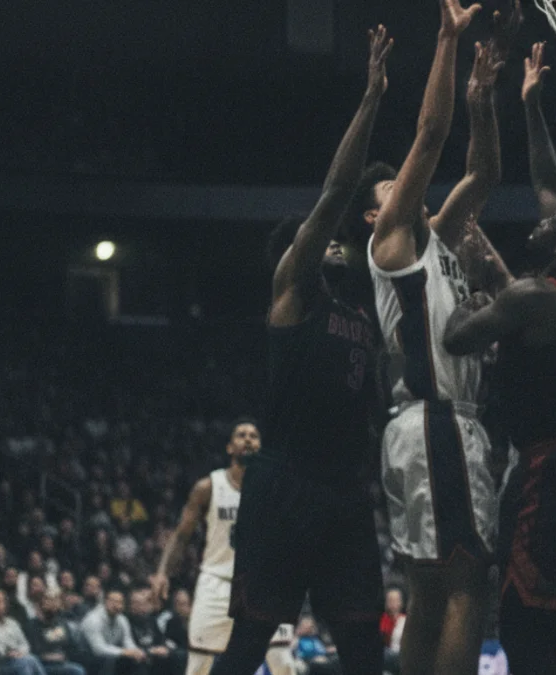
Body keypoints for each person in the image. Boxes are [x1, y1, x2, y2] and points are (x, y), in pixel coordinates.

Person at [212, 24, 393, 675]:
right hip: (286, 485)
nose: (333, 245)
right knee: (249, 641)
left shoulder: (358, 306)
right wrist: (372, 97)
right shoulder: (294, 291)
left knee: (364, 648)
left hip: (345, 490)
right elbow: (339, 192)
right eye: (317, 242)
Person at [358, 0, 517, 672]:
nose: (411, 184)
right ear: (375, 212)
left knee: (430, 587)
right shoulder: (394, 237)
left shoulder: (436, 239)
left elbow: (482, 175)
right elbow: (428, 134)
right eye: (395, 185)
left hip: (429, 426)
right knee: (466, 583)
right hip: (437, 423)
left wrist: (483, 96)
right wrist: (448, 44)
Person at [443, 106, 556, 675]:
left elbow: (455, 340)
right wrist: (529, 106)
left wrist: (473, 301)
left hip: (552, 466)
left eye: (551, 226)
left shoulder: (536, 295)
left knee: (522, 619)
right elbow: (550, 183)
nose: (540, 221)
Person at [149, 419, 259, 675]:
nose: (247, 440)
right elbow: (181, 535)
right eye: (241, 435)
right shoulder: (208, 487)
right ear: (230, 447)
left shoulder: (273, 489)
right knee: (198, 665)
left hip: (259, 583)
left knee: (282, 662)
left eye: (253, 436)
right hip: (216, 581)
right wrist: (162, 572)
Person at [0, 590, 43, 675]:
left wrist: (19, 653)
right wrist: (8, 653)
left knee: (31, 659)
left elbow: (24, 644)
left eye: (2, 601)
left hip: (17, 658)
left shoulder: (13, 623)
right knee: (27, 662)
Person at [81, 590, 146, 675]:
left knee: (138, 658)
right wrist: (124, 652)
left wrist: (135, 651)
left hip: (110, 654)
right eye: (113, 601)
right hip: (87, 656)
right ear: (105, 602)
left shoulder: (122, 619)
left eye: (120, 602)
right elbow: (98, 649)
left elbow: (127, 641)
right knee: (111, 660)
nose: (117, 605)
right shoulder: (93, 620)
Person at [28, 590, 84, 675]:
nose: (52, 604)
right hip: (42, 665)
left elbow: (72, 645)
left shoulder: (61, 623)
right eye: (48, 600)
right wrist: (50, 656)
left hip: (63, 662)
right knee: (76, 671)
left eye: (55, 601)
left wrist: (66, 655)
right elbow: (34, 651)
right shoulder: (33, 625)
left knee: (78, 667)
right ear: (40, 604)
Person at [126, 590, 183, 675]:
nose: (141, 607)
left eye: (144, 603)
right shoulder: (126, 622)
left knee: (177, 656)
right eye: (137, 603)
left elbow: (161, 639)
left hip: (154, 657)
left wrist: (165, 648)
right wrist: (150, 651)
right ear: (130, 605)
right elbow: (128, 645)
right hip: (136, 659)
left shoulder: (151, 621)